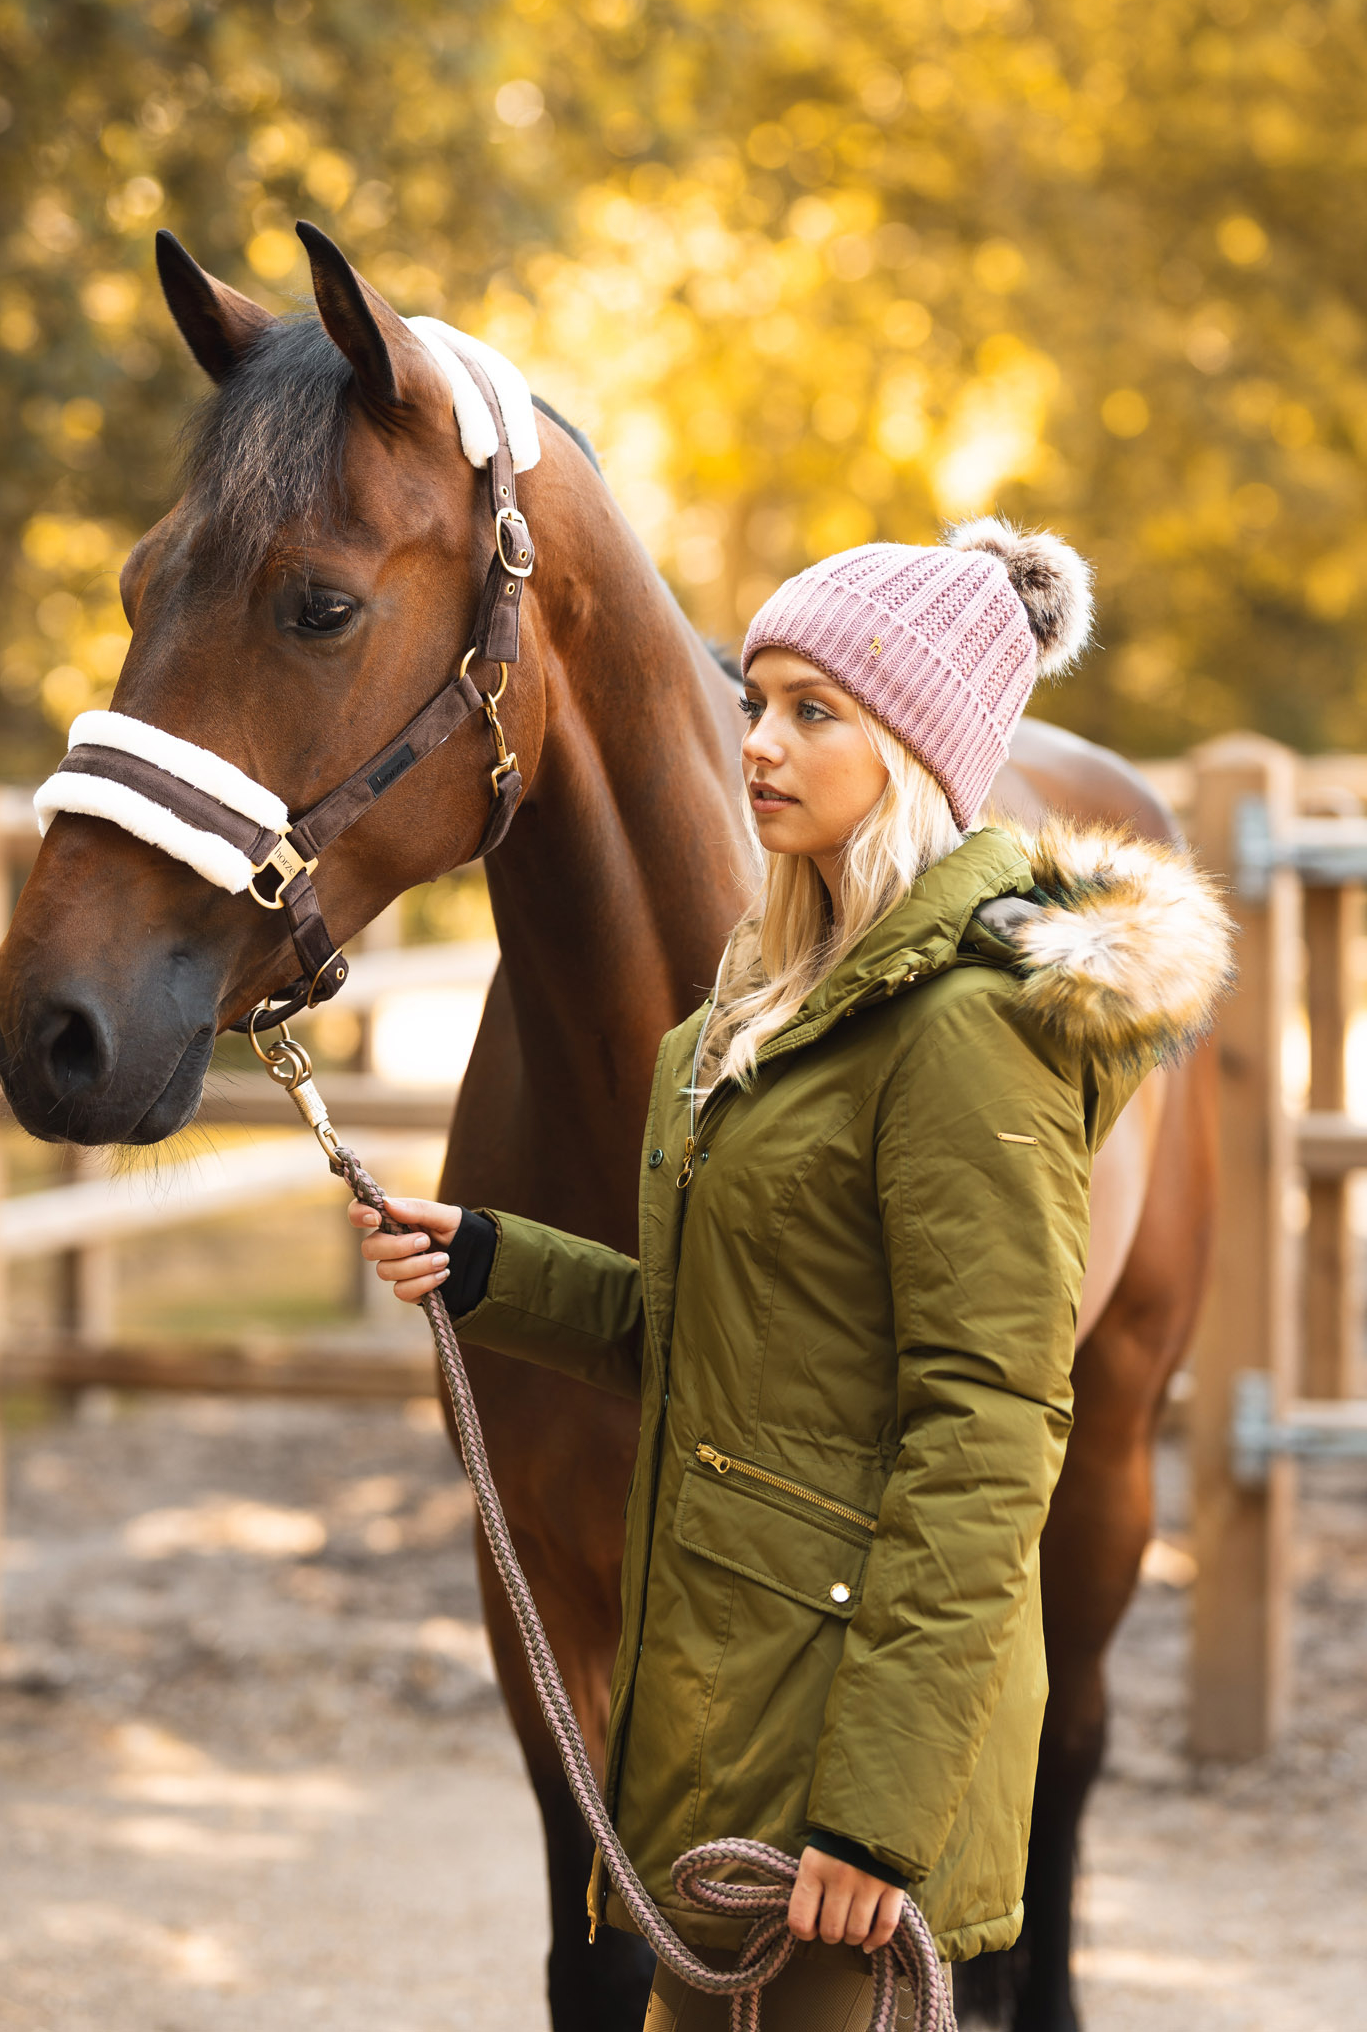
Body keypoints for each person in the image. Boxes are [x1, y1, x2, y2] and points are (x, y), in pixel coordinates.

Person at [350, 521, 1231, 2031]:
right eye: (756, 701)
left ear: (913, 749)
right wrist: (494, 1264)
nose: (757, 745)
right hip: (724, 1723)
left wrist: (876, 1824)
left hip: (850, 1777)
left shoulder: (968, 1040)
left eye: (814, 712)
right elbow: (726, 1344)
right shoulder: (744, 1021)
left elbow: (989, 1436)